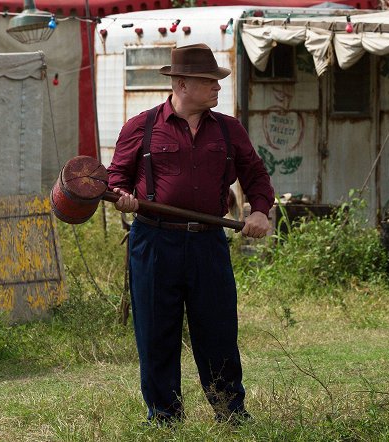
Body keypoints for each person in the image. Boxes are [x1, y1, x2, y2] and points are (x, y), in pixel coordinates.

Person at [107, 43, 274, 423]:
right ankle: (164, 417)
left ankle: (231, 413)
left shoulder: (229, 130)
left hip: (208, 241)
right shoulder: (141, 126)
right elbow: (116, 177)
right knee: (155, 333)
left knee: (217, 331)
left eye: (217, 82)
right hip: (153, 241)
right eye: (209, 82)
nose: (218, 88)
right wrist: (124, 197)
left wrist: (260, 210)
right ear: (181, 84)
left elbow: (256, 175)